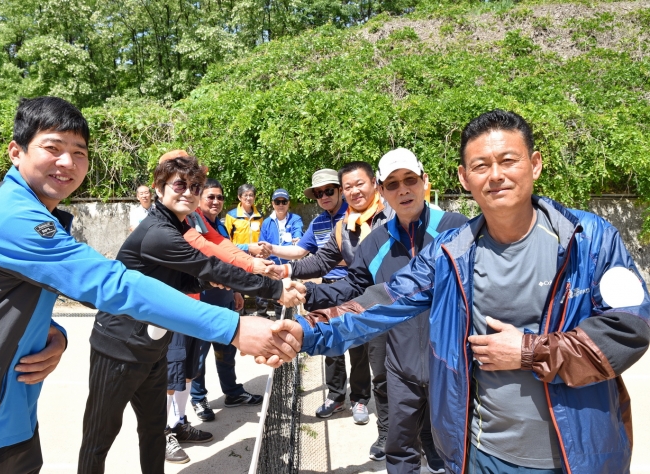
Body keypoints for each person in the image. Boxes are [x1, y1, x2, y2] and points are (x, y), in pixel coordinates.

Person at [0, 96, 301, 474]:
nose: (67, 162)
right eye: (53, 148)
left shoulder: (38, 214)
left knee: (153, 430)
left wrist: (54, 332)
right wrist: (235, 326)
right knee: (101, 436)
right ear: (16, 152)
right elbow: (115, 284)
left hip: (9, 418)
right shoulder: (10, 217)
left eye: (79, 152)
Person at [277, 110, 650, 473]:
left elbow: (631, 327)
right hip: (481, 454)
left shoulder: (590, 239)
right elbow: (384, 300)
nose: (496, 175)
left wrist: (529, 351)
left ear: (535, 164)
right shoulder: (451, 252)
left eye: (508, 161)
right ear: (464, 177)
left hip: (579, 454)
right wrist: (304, 331)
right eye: (481, 166)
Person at [78, 156, 306, 472]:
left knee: (154, 430)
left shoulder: (179, 224)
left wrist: (207, 280)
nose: (189, 192)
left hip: (153, 345)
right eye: (180, 185)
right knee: (100, 436)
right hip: (118, 346)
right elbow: (208, 265)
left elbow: (187, 274)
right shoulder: (158, 232)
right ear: (159, 189)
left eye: (195, 186)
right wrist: (275, 288)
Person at [301, 148, 467, 469]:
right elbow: (353, 286)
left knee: (454, 451)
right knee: (400, 449)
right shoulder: (376, 241)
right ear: (382, 190)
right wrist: (306, 293)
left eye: (410, 180)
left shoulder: (457, 228)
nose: (403, 190)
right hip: (401, 368)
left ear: (425, 181)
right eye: (392, 184)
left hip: (450, 368)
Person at [276, 162, 395, 428]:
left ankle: (368, 405)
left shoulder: (393, 217)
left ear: (375, 184)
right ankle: (382, 429)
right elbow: (321, 261)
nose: (354, 191)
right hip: (351, 293)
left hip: (395, 303)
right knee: (340, 349)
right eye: (319, 193)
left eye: (359, 184)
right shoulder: (342, 226)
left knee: (385, 370)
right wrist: (284, 269)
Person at [190, 178, 266, 423]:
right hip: (202, 303)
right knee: (198, 355)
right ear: (199, 199)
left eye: (219, 197)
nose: (215, 201)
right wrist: (249, 249)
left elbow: (228, 260)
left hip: (225, 300)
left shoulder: (221, 227)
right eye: (210, 197)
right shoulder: (193, 227)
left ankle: (232, 392)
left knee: (226, 350)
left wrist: (235, 291)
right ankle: (198, 398)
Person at [256, 188, 303, 318]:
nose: (281, 205)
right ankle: (262, 321)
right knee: (263, 296)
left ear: (288, 203)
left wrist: (297, 238)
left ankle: (283, 324)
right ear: (273, 203)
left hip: (289, 267)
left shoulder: (295, 219)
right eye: (277, 202)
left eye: (284, 202)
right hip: (271, 265)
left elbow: (298, 233)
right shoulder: (267, 222)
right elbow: (262, 243)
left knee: (284, 301)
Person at [225, 183, 265, 254]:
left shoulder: (259, 216)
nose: (248, 198)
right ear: (239, 197)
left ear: (254, 197)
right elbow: (226, 239)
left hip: (256, 255)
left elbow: (263, 237)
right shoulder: (231, 216)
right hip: (238, 254)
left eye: (251, 195)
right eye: (245, 195)